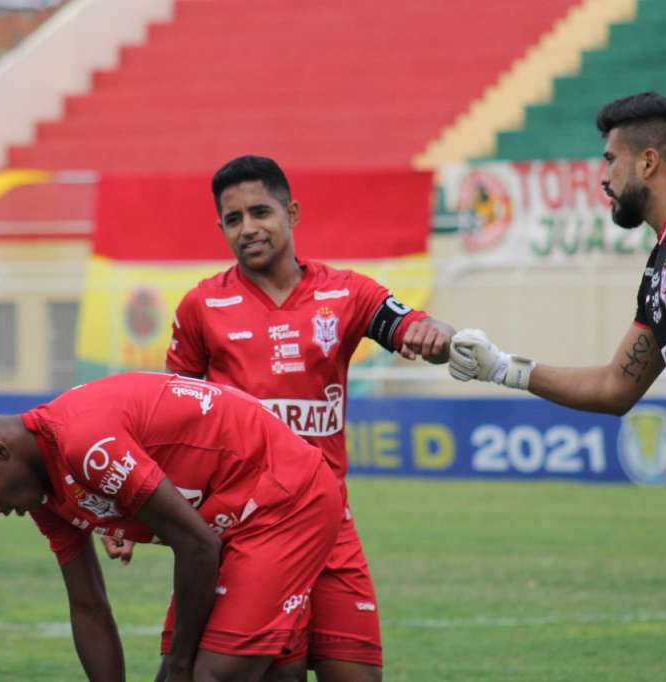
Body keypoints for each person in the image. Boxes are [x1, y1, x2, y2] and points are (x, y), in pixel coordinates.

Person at [448, 92, 666, 681]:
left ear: (647, 162)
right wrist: (504, 367)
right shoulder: (661, 269)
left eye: (608, 161)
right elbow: (613, 387)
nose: (602, 177)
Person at [100, 155, 453, 681]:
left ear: (291, 212)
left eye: (260, 212)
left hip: (330, 523)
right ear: (220, 228)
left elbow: (415, 327)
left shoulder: (348, 293)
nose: (248, 229)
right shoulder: (201, 306)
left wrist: (436, 336)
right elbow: (168, 424)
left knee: (358, 675)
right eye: (234, 219)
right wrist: (129, 510)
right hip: (243, 530)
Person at [0, 371, 344, 682]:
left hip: (285, 500)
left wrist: (178, 665)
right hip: (228, 523)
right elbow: (88, 605)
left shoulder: (85, 444)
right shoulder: (42, 494)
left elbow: (197, 545)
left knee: (206, 674)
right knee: (263, 672)